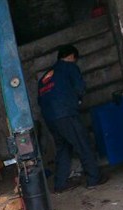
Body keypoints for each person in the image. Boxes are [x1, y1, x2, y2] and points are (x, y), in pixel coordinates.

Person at [38, 44, 108, 193]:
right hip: (65, 114)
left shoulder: (45, 77)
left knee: (63, 148)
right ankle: (94, 178)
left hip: (50, 118)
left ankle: (60, 184)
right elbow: (80, 88)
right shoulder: (70, 67)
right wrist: (78, 100)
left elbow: (41, 99)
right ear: (71, 56)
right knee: (83, 144)